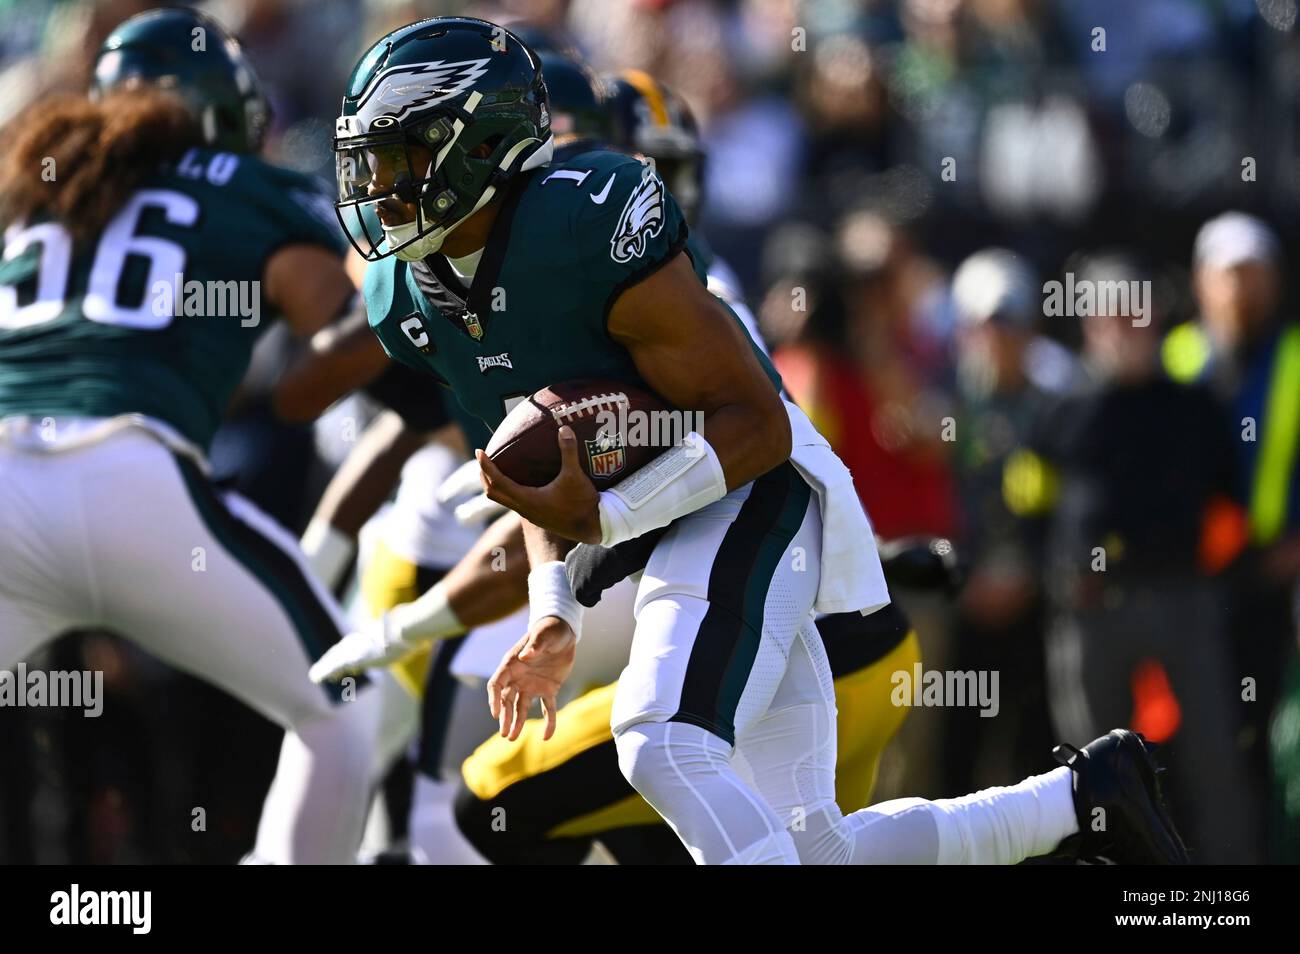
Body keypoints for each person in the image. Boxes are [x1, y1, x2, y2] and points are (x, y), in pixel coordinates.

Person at [320, 15, 1186, 865]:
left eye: (401, 161)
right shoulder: (407, 301)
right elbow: (540, 463)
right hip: (664, 531)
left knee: (659, 741)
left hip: (750, 487)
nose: (378, 191)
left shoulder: (583, 222)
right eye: (370, 164)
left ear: (479, 146)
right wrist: (553, 611)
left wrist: (611, 513)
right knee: (816, 845)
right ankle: (1081, 802)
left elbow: (759, 426)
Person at [0, 8, 382, 864]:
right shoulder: (251, 187)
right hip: (129, 475)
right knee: (346, 697)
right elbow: (344, 321)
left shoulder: (39, 190)